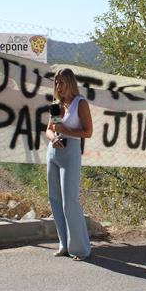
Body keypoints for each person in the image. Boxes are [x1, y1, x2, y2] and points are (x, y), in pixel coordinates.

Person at [45, 68, 93, 261]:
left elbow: (88, 132)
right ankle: (64, 244)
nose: (59, 86)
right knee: (55, 199)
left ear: (70, 83)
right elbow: (49, 130)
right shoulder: (56, 105)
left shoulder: (79, 103)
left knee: (69, 200)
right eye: (56, 82)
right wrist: (53, 138)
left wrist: (66, 131)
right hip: (53, 152)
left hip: (70, 153)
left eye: (62, 82)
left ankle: (81, 249)